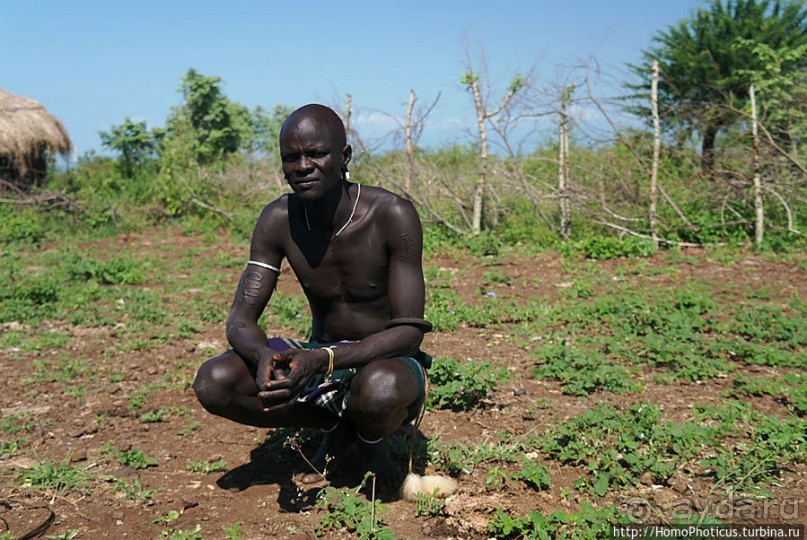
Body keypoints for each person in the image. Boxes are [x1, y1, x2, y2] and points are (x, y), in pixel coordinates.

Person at [193, 103, 432, 490]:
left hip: (387, 361)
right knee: (214, 380)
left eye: (316, 154)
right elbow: (241, 318)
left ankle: (371, 441)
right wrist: (263, 356)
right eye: (291, 158)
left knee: (380, 389)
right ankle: (333, 426)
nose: (302, 166)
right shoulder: (278, 220)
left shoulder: (391, 214)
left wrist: (324, 359)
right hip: (321, 356)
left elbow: (408, 332)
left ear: (344, 157)